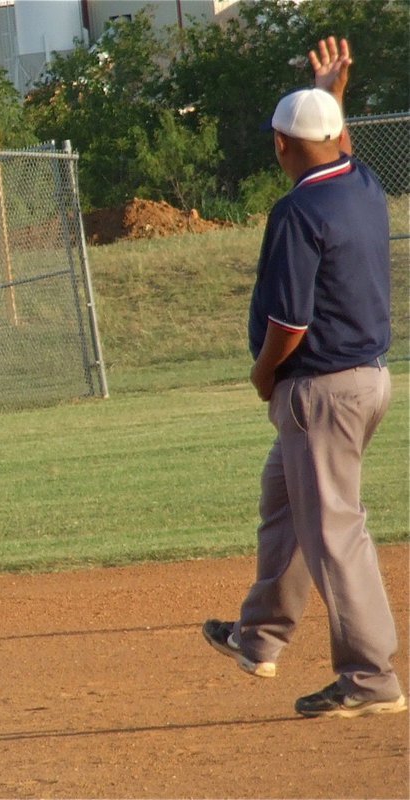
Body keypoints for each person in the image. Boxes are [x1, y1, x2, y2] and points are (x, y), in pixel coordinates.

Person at [202, 37, 407, 718]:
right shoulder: (361, 184)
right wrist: (329, 93)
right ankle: (257, 637)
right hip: (364, 382)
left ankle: (370, 679)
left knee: (334, 535)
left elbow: (287, 323)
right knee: (284, 501)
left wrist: (262, 377)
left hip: (318, 388)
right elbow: (335, 141)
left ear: (280, 146)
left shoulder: (295, 212)